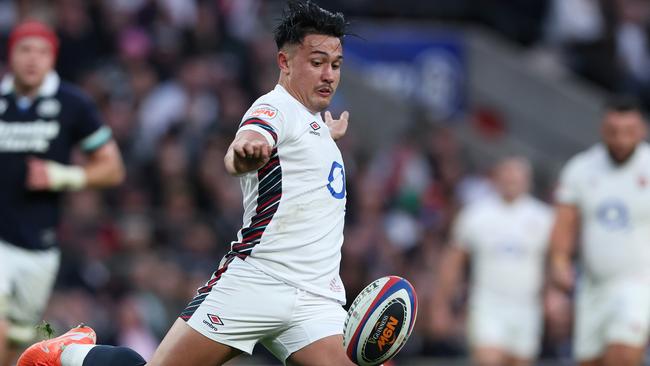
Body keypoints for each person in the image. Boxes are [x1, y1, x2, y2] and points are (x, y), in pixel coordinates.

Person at [17, 1, 355, 365]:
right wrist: (244, 152)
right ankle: (68, 353)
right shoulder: (272, 109)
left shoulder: (313, 125)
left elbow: (298, 162)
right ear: (284, 63)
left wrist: (321, 135)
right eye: (317, 62)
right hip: (259, 283)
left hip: (316, 300)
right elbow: (245, 144)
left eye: (335, 65)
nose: (328, 75)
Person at [0, 20, 125, 366]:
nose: (32, 59)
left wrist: (61, 175)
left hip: (40, 245)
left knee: (17, 341)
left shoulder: (72, 104)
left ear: (52, 57)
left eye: (42, 51)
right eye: (25, 49)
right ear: (11, 54)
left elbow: (112, 168)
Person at [549, 97, 650, 366]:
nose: (620, 140)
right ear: (602, 130)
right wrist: (559, 262)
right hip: (592, 286)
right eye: (613, 132)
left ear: (643, 130)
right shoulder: (580, 169)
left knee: (623, 355)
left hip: (637, 282)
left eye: (628, 132)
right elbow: (565, 221)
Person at [432, 157, 553, 366]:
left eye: (517, 177)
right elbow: (453, 261)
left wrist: (552, 294)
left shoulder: (544, 217)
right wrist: (441, 305)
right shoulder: (476, 214)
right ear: (496, 178)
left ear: (527, 181)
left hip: (527, 306)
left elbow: (554, 261)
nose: (511, 182)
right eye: (507, 176)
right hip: (487, 304)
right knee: (489, 359)